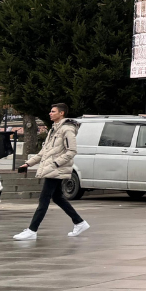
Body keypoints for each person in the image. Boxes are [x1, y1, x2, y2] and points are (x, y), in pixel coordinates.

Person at [12, 103, 88, 240]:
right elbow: (44, 152)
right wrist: (28, 163)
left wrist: (56, 163)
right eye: (50, 111)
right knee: (57, 197)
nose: (50, 113)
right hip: (53, 168)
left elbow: (72, 151)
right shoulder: (54, 129)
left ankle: (32, 230)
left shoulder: (67, 129)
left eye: (53, 111)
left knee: (44, 199)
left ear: (61, 113)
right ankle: (79, 222)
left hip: (56, 169)